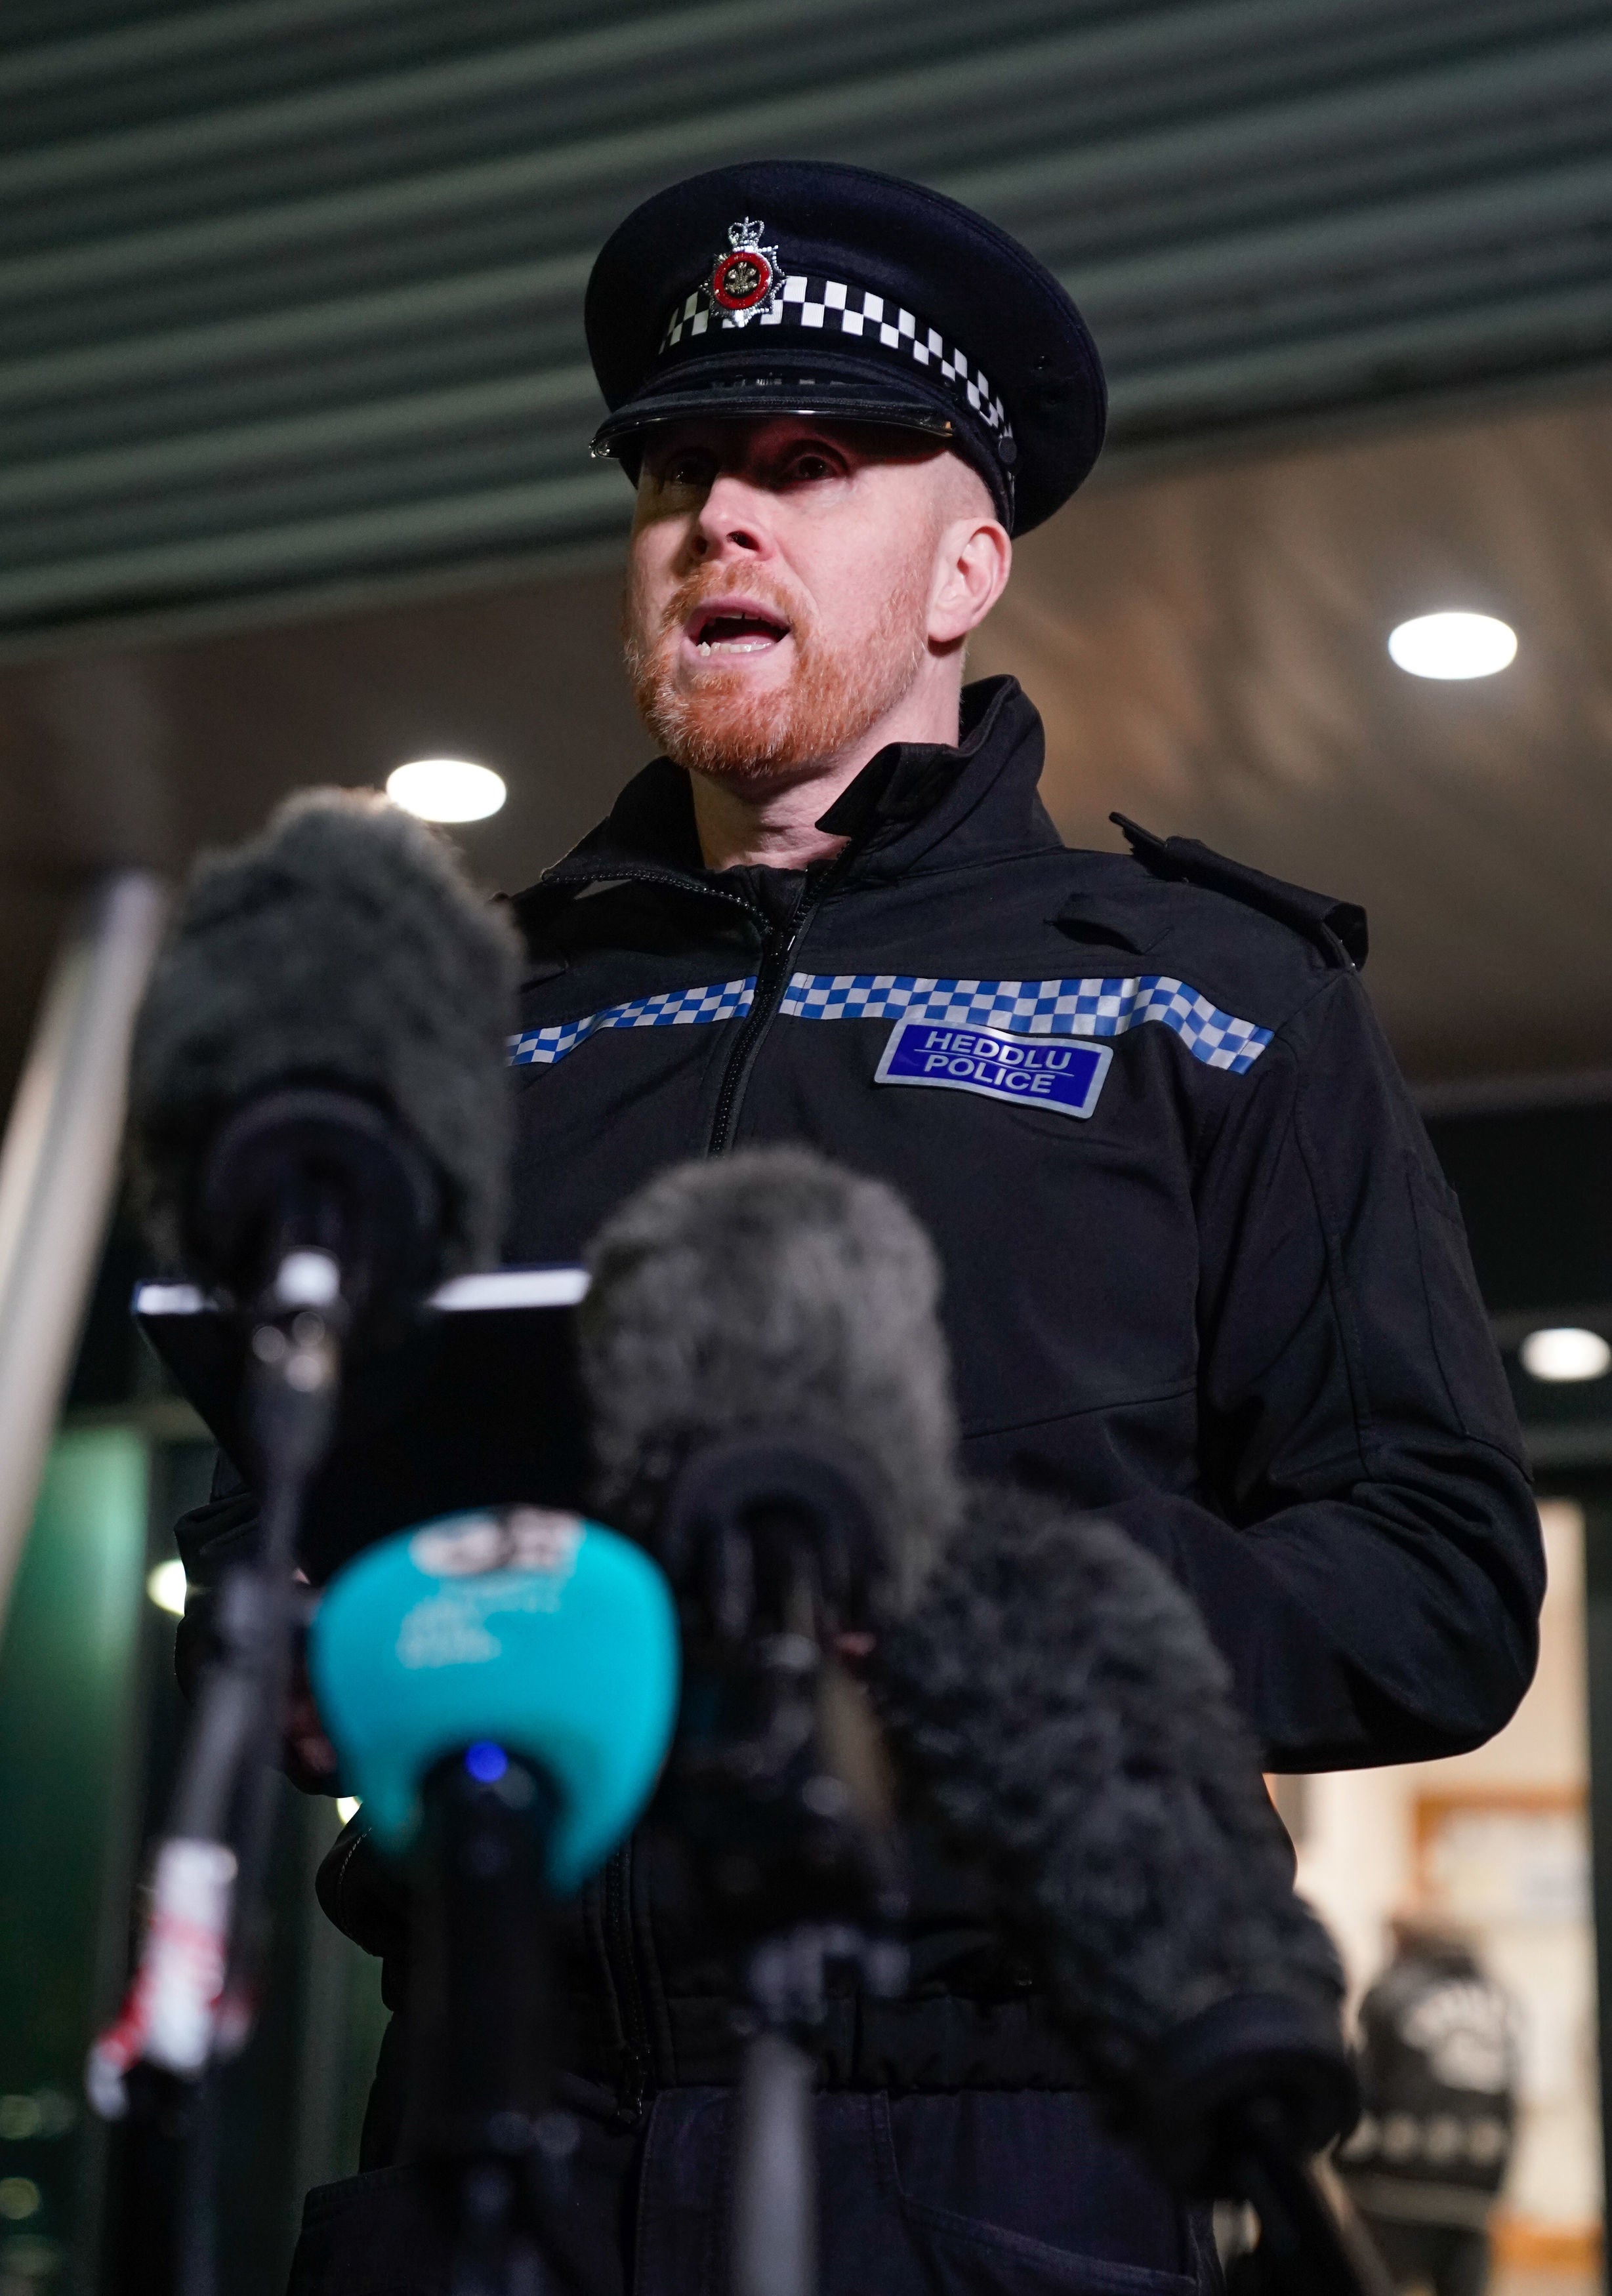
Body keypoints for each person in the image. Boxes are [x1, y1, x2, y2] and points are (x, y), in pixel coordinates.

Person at [176, 161, 1544, 2293]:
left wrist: (1002, 1610)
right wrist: (280, 1638)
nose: (717, 517)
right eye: (676, 471)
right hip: (478, 2133)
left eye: (803, 465)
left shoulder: (1204, 993)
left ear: (964, 564)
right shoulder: (460, 1016)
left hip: (1007, 2159)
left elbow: (1439, 1586)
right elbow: (273, 1512)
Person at [1338, 1916, 1520, 2296]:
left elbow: (1361, 2086)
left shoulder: (1389, 1993)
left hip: (1393, 2187)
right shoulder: (1501, 2001)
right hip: (1476, 2188)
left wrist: (1347, 2166)